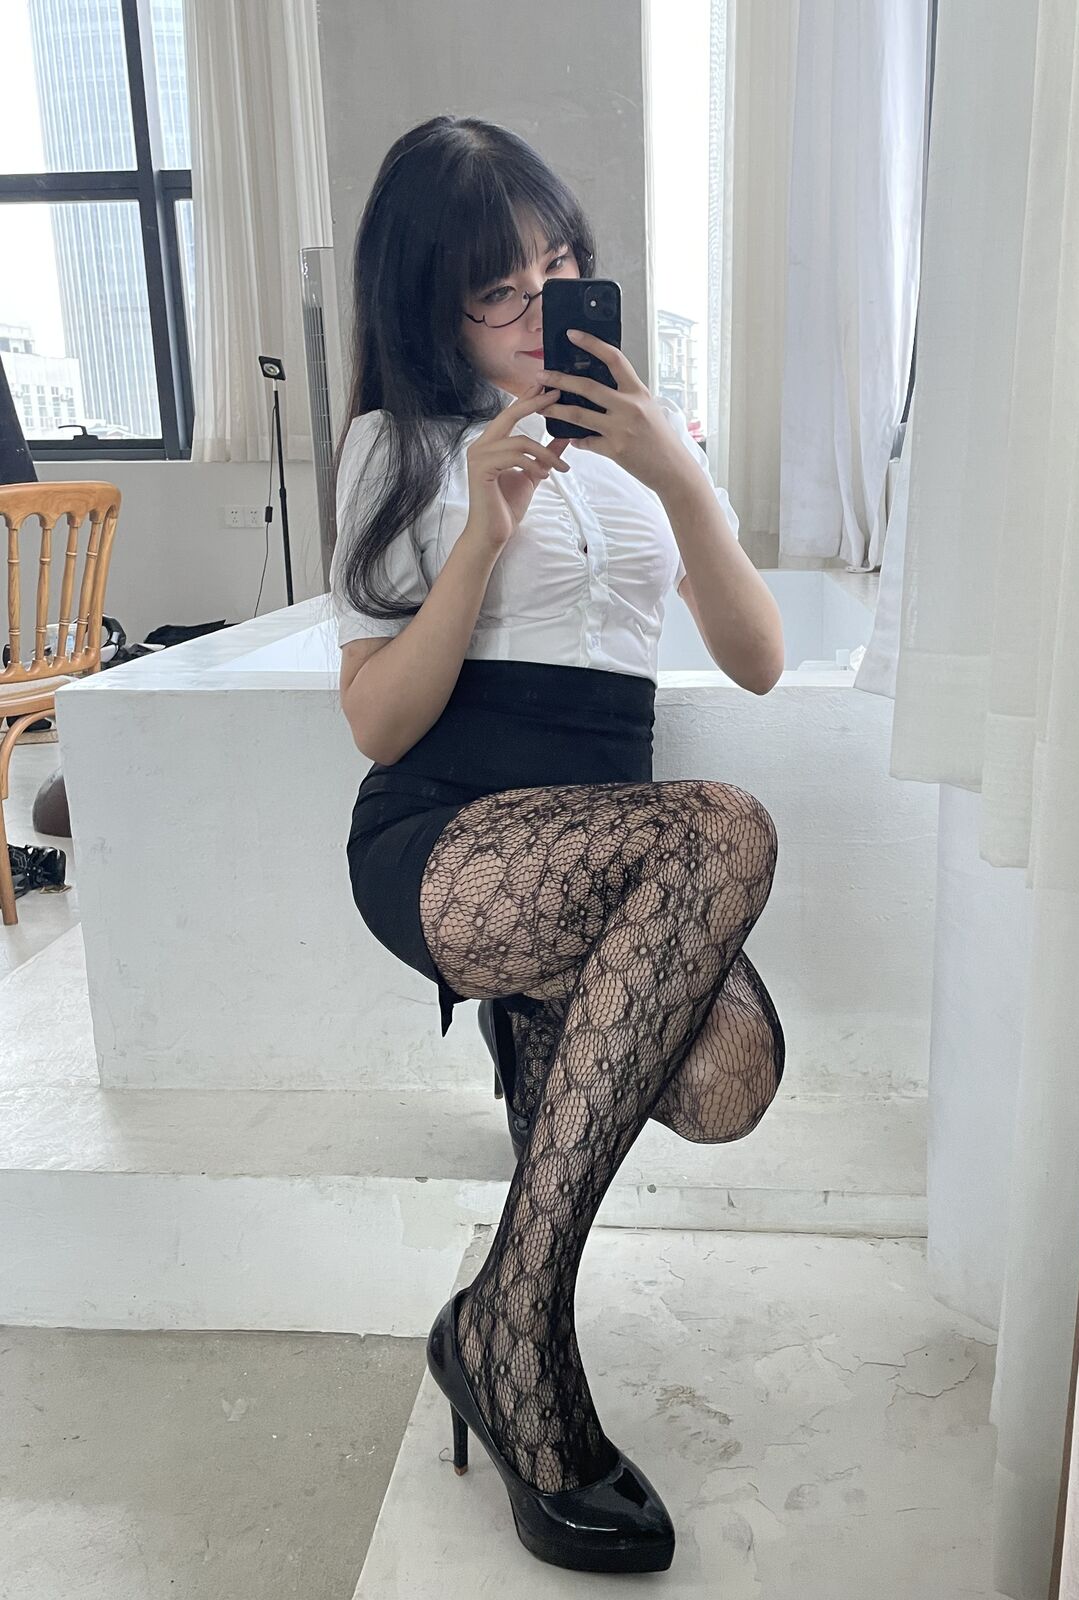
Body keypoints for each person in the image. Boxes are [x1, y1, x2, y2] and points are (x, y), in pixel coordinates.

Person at [330, 114, 787, 1575]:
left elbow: (760, 661)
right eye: (499, 291)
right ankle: (522, 1345)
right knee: (724, 826)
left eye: (560, 267)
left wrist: (677, 474)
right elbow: (378, 725)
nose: (542, 310)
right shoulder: (399, 447)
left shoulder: (653, 440)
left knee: (727, 1076)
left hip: (612, 849)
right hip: (451, 834)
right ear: (434, 307)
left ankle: (494, 1317)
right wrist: (480, 533)